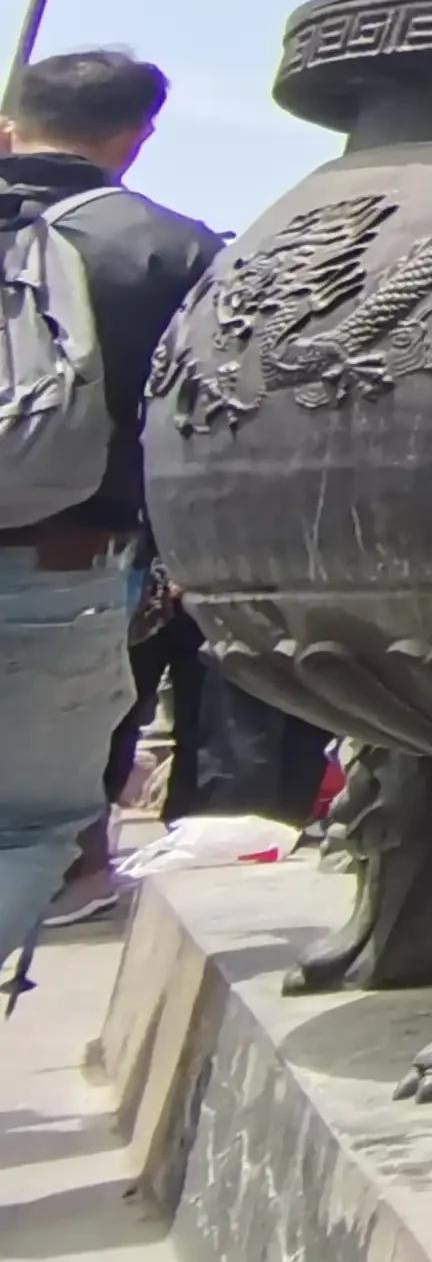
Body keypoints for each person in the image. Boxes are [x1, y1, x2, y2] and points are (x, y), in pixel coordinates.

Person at [2, 49, 216, 971]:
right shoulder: (175, 251)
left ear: (13, 122)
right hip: (64, 566)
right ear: (137, 137)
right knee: (33, 826)